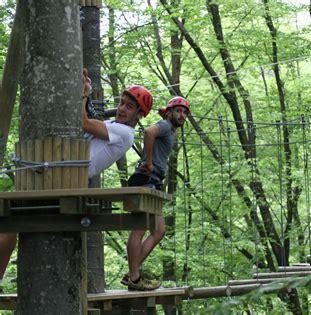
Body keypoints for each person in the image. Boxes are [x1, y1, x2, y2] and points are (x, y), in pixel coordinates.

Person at [0, 70, 153, 291]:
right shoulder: (115, 125)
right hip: (62, 172)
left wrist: (84, 93)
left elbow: (83, 122)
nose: (121, 108)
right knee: (8, 227)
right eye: (122, 103)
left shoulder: (125, 134)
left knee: (8, 225)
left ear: (139, 115)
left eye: (129, 107)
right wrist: (85, 91)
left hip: (65, 175)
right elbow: (90, 121)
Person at [123, 96, 190, 291]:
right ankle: (135, 277)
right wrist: (150, 162)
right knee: (139, 229)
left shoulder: (170, 128)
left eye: (185, 112)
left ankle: (132, 274)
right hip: (147, 179)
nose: (182, 115)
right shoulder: (166, 126)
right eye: (178, 111)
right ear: (169, 112)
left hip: (153, 182)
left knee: (159, 230)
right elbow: (149, 132)